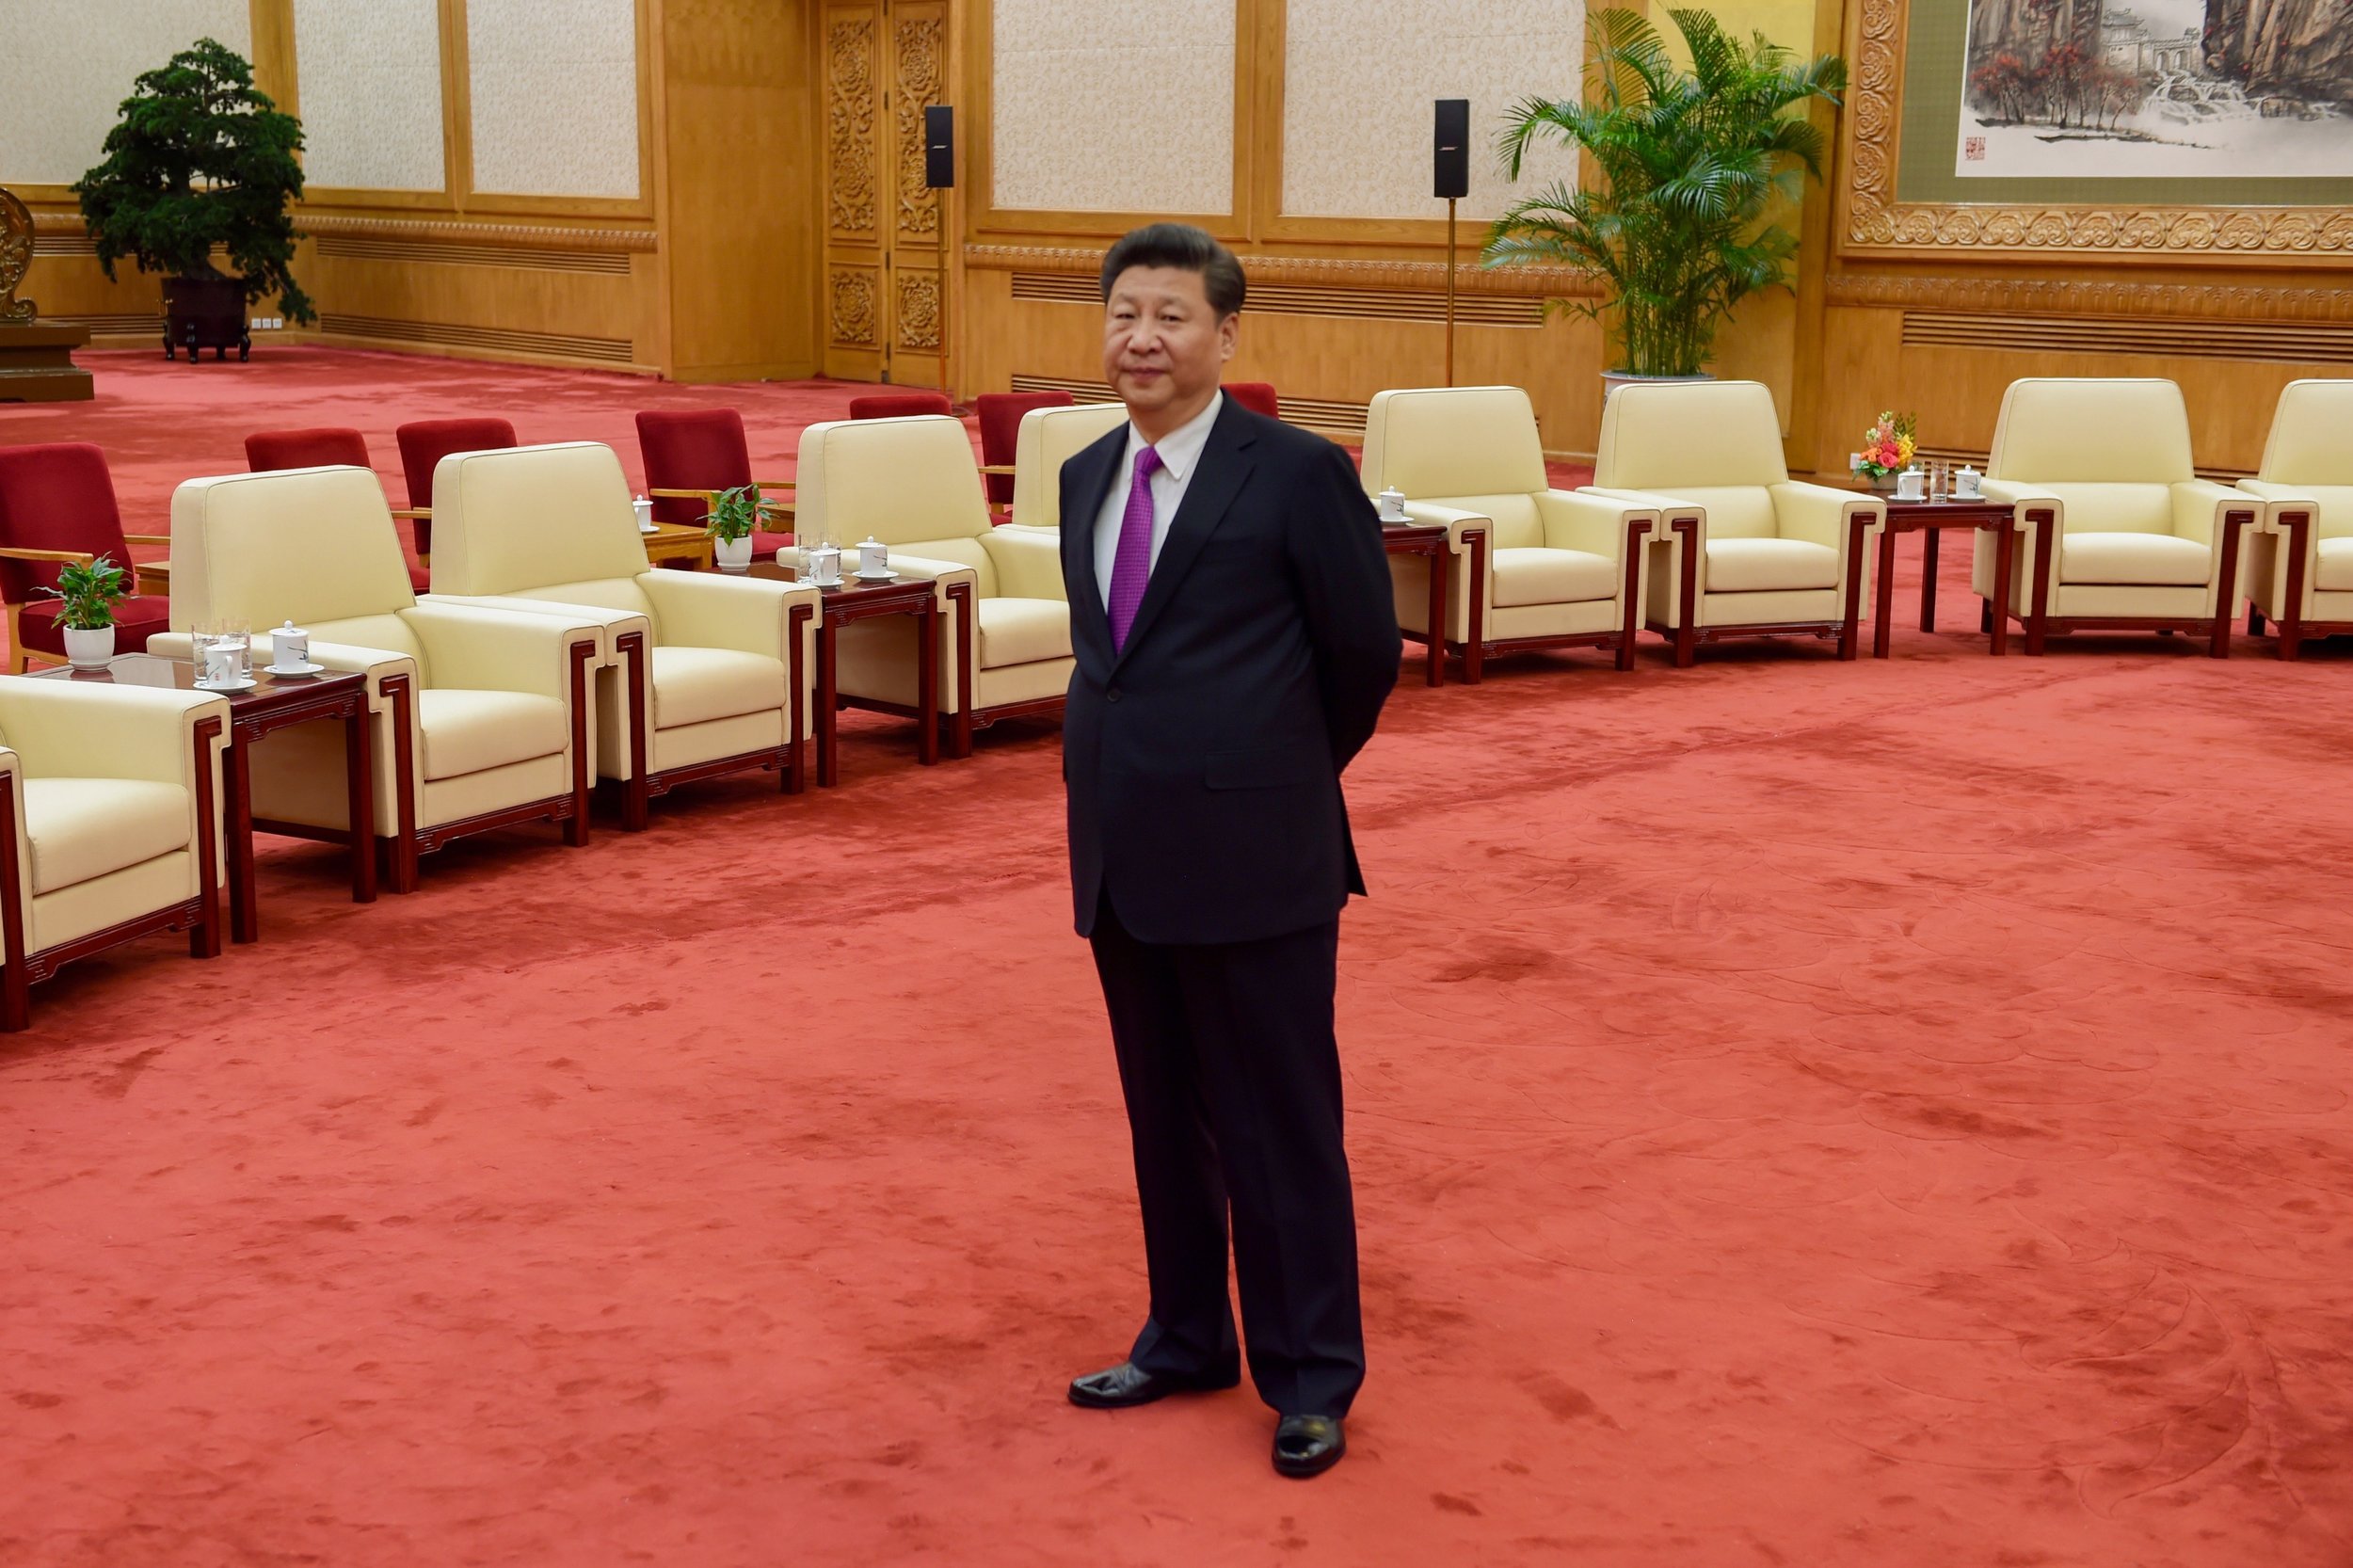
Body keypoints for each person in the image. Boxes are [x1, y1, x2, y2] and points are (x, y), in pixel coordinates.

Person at [1057, 222, 1401, 1479]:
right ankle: (1187, 1332)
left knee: (1279, 1125)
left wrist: (1273, 779)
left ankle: (1311, 1374)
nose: (1142, 338)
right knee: (1166, 1120)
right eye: (1124, 314)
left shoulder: (1296, 474)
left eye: (1171, 317)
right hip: (1122, 851)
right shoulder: (1085, 471)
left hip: (1259, 856)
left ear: (1224, 334)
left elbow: (1363, 654)